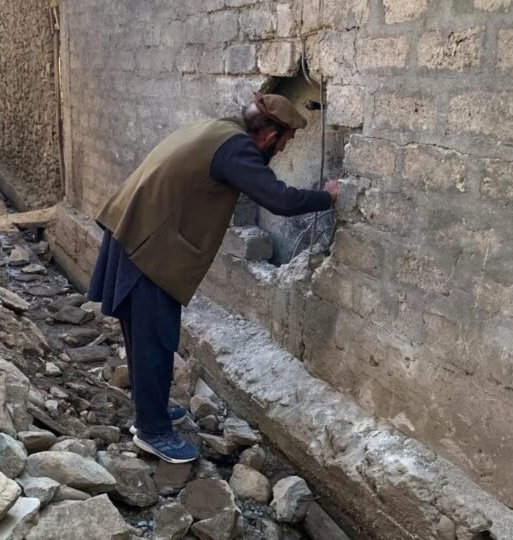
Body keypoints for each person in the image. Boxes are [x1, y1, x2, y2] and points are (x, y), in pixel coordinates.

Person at [88, 93, 339, 463]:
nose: (285, 148)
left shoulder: (219, 129)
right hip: (149, 246)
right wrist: (327, 196)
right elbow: (281, 200)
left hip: (133, 231)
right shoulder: (237, 150)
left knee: (143, 334)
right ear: (270, 136)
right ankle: (152, 430)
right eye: (286, 141)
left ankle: (150, 410)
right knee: (155, 338)